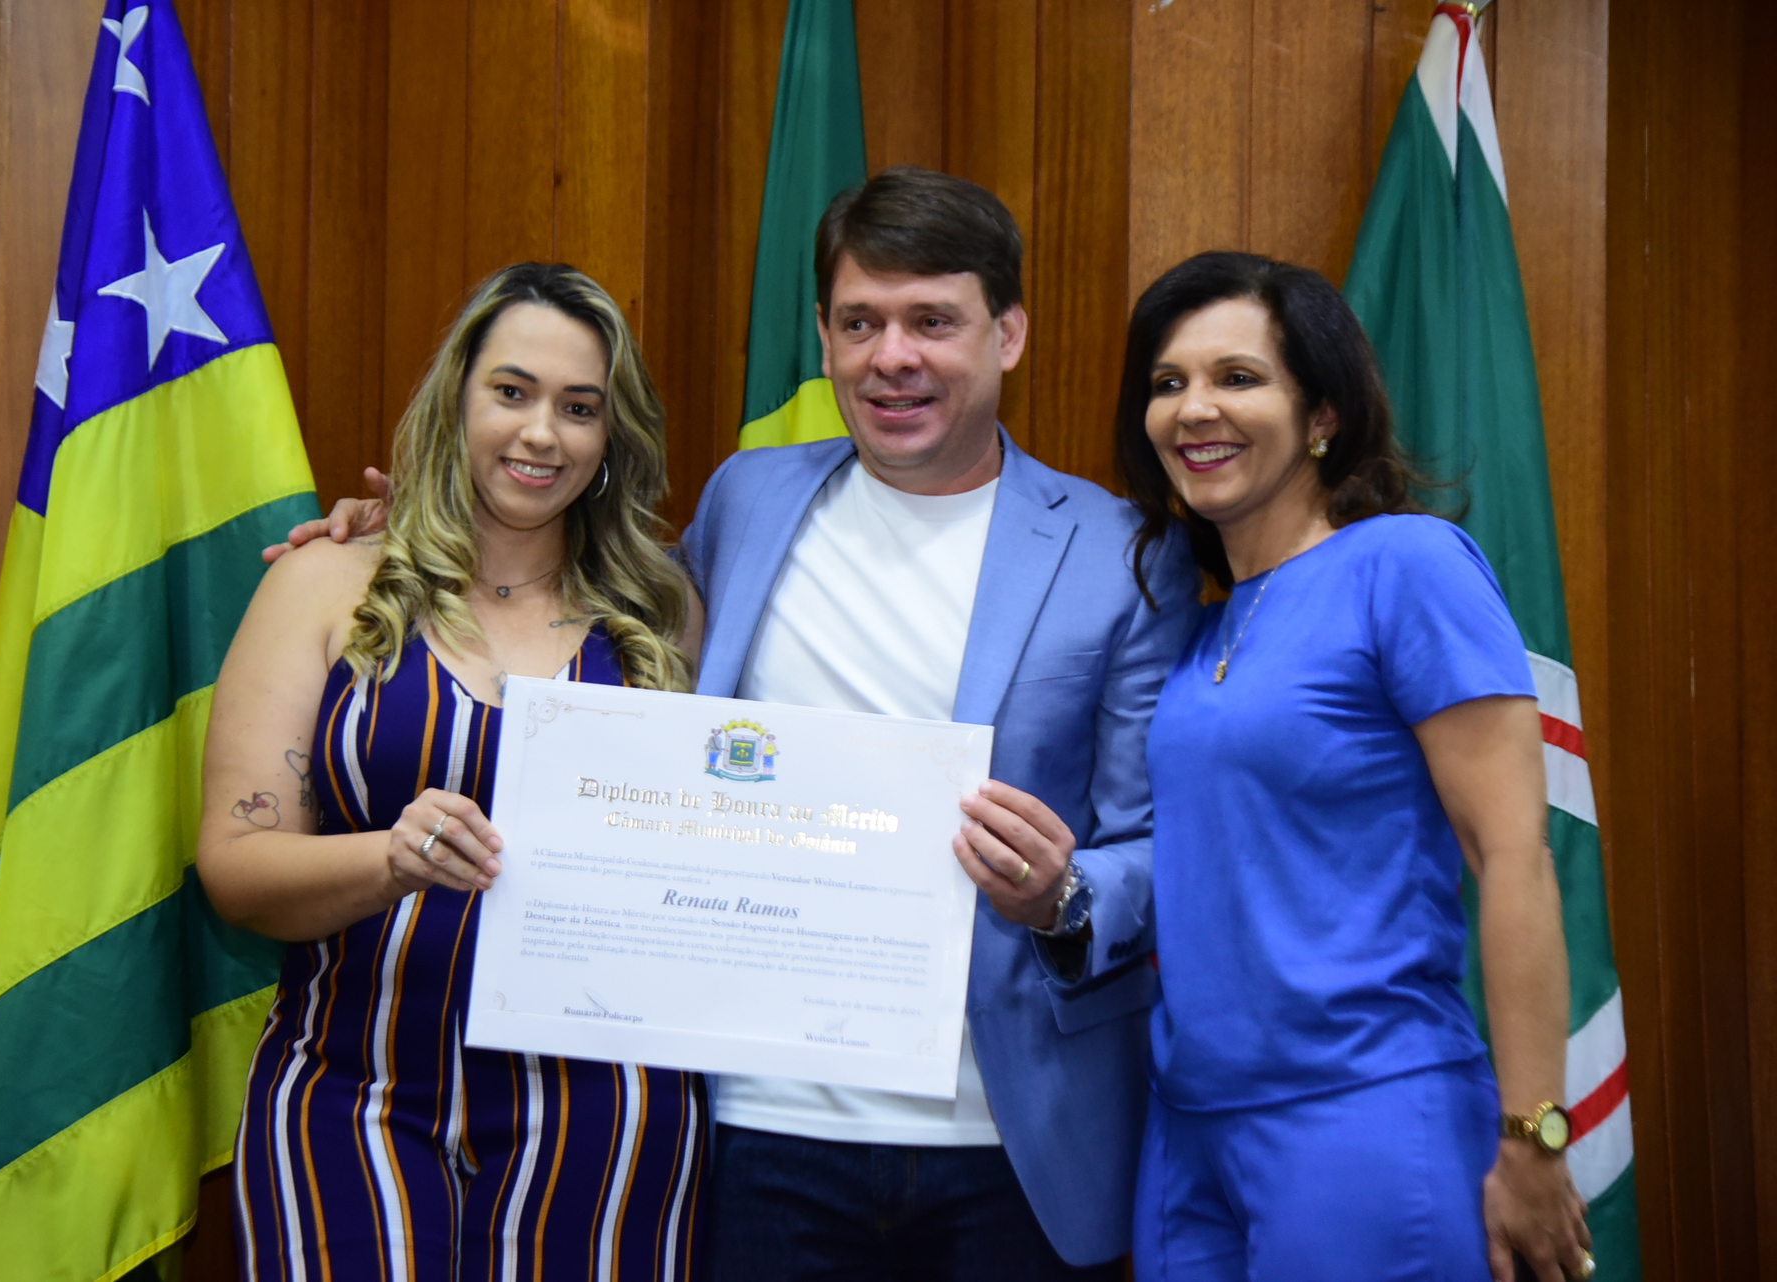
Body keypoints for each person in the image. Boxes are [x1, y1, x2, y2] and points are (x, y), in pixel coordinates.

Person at [281, 168, 1201, 1278]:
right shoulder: (746, 500)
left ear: (1007, 334)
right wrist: (405, 525)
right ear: (822, 336)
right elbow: (572, 590)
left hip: (1007, 1139)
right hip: (758, 1133)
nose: (891, 357)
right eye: (859, 322)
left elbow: (1163, 845)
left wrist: (1062, 896)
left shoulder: (1122, 552)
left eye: (932, 322)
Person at [195, 262, 708, 1281]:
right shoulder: (325, 583)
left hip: (605, 1109)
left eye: (579, 408)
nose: (540, 433)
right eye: (511, 392)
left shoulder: (662, 617)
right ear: (457, 401)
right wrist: (390, 859)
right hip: (349, 1090)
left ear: (612, 438)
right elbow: (235, 867)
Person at [1118, 251, 1594, 1282]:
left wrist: (1535, 1133)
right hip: (1185, 1130)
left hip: (1364, 1114)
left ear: (1322, 413)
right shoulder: (1197, 629)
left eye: (1237, 377)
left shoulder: (1407, 566)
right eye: (1168, 382)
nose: (1194, 409)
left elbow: (1512, 856)